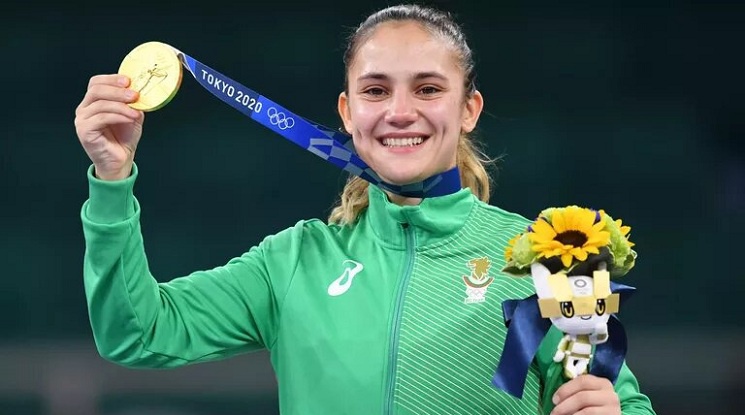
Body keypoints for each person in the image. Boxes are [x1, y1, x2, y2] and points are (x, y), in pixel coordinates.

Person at [74, 4, 656, 415]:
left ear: (469, 109)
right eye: (376, 91)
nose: (399, 111)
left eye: (428, 89)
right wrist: (112, 178)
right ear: (348, 112)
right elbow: (137, 332)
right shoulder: (293, 262)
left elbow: (622, 402)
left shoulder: (548, 258)